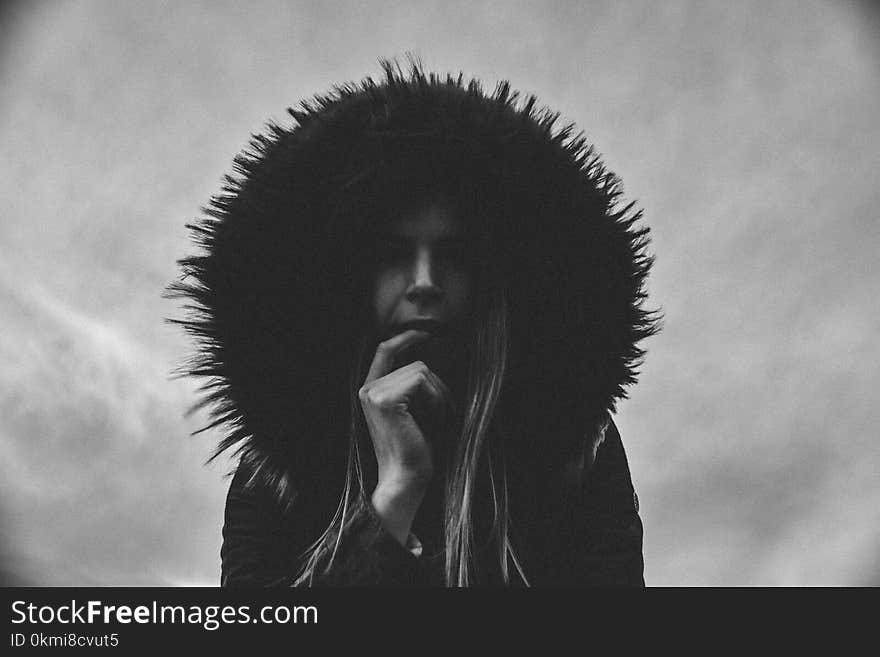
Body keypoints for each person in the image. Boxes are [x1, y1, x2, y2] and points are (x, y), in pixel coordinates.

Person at [166, 61, 661, 587]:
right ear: (351, 277)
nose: (424, 281)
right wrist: (396, 494)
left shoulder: (574, 455)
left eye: (454, 255)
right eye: (394, 255)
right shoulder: (279, 474)